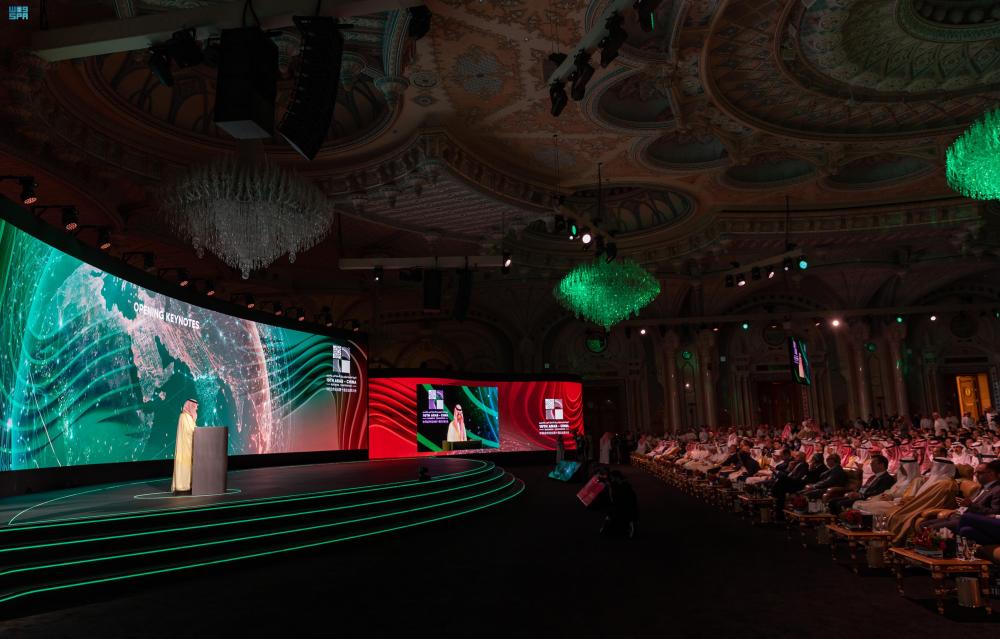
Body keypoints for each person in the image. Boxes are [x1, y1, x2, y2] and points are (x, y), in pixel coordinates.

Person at [920, 459, 1000, 532]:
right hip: (959, 515)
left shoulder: (997, 490)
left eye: (980, 473)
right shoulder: (982, 487)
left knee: (930, 528)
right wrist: (963, 505)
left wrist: (971, 505)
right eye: (975, 473)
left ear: (991, 473)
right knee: (923, 524)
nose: (976, 475)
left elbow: (995, 512)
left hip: (972, 520)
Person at [828, 454, 895, 515]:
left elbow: (878, 493)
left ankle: (841, 522)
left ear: (881, 464)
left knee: (840, 503)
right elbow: (864, 488)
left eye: (873, 463)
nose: (871, 465)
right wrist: (855, 493)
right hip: (859, 496)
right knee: (832, 501)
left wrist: (861, 495)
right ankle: (832, 522)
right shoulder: (873, 477)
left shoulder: (887, 478)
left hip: (868, 500)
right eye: (871, 464)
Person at [171, 398, 199, 494]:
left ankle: (189, 484)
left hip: (190, 447)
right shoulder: (183, 417)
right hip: (185, 447)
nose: (196, 409)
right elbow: (189, 431)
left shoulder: (189, 418)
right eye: (195, 406)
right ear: (190, 406)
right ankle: (182, 485)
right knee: (184, 466)